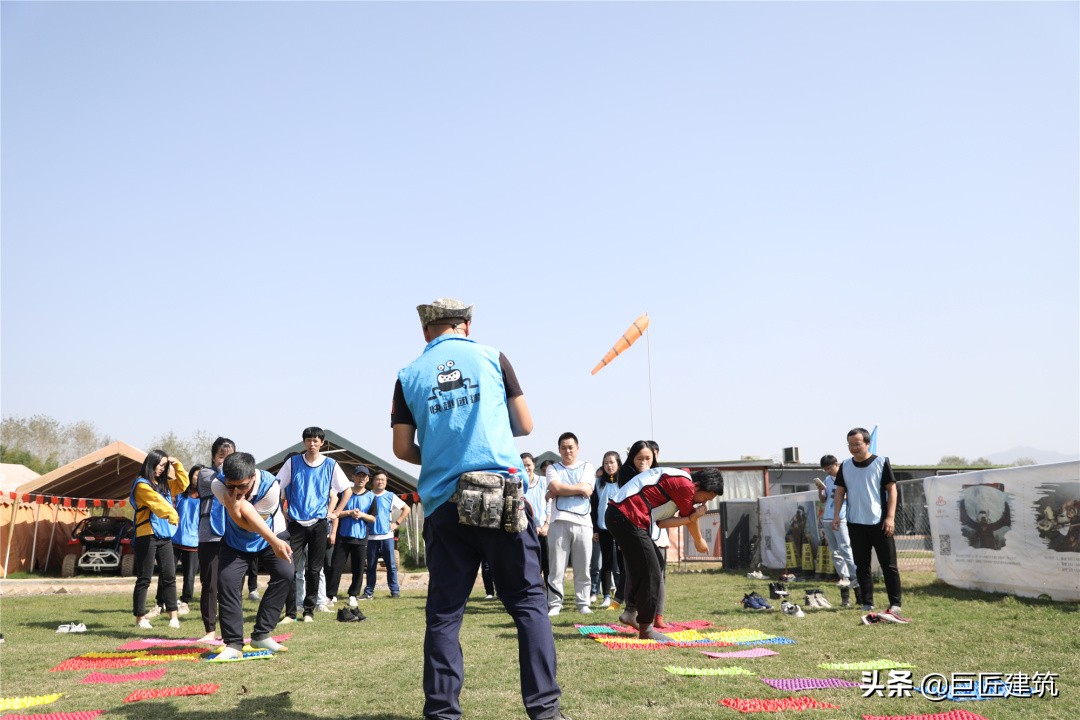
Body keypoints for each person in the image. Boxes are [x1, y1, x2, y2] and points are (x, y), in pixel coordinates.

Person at [391, 297, 565, 720]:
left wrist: (439, 455)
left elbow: (400, 447)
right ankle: (545, 711)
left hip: (444, 504)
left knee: (445, 613)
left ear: (426, 331)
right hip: (500, 494)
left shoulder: (408, 374)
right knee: (527, 604)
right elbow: (525, 425)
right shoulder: (492, 357)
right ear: (466, 325)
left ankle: (442, 712)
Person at [606, 466, 722, 641]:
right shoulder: (685, 485)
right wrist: (699, 541)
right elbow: (690, 518)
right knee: (650, 571)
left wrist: (691, 518)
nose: (702, 504)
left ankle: (631, 611)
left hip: (625, 517)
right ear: (697, 486)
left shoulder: (676, 484)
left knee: (655, 564)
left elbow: (661, 523)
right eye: (705, 498)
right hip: (626, 517)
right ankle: (646, 627)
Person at [212, 451, 294, 660]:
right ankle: (233, 643)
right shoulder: (218, 484)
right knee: (226, 582)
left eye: (242, 486)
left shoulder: (271, 488)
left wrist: (275, 542)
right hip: (235, 542)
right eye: (232, 486)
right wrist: (234, 506)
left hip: (271, 535)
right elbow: (242, 523)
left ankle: (261, 634)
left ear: (253, 477)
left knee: (285, 574)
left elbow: (251, 522)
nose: (237, 491)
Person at [831, 428, 907, 624]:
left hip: (880, 522)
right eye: (850, 444)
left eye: (857, 444)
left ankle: (895, 602)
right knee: (861, 565)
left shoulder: (881, 462)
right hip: (855, 522)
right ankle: (867, 602)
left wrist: (890, 517)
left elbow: (892, 490)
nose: (854, 448)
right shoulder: (845, 466)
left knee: (889, 565)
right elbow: (839, 491)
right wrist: (836, 516)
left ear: (867, 443)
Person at [277, 427, 350, 622]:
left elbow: (347, 490)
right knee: (289, 568)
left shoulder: (331, 464)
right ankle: (290, 613)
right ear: (304, 442)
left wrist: (334, 513)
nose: (312, 444)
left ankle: (308, 611)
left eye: (316, 440)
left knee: (314, 569)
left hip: (319, 523)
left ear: (322, 443)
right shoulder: (292, 463)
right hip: (296, 524)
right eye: (309, 440)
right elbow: (276, 486)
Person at [130, 450, 189, 630]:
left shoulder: (164, 485)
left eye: (165, 466)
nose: (162, 469)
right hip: (146, 535)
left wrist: (176, 463)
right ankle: (140, 618)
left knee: (169, 576)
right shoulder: (141, 485)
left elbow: (183, 483)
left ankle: (173, 616)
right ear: (151, 463)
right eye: (160, 465)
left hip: (164, 536)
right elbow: (157, 502)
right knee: (144, 578)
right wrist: (172, 514)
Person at [544, 432, 596, 616]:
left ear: (577, 448)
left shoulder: (587, 467)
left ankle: (583, 602)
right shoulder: (553, 468)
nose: (567, 451)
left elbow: (588, 490)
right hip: (559, 522)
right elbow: (555, 487)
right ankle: (555, 603)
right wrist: (575, 489)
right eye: (564, 447)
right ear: (559, 449)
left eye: (570, 447)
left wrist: (560, 490)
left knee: (583, 566)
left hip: (583, 523)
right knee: (557, 567)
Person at [194, 437, 234, 642]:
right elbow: (223, 481)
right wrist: (231, 467)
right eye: (221, 456)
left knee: (230, 584)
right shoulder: (205, 474)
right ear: (213, 456)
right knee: (210, 584)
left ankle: (230, 629)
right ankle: (210, 630)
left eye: (230, 457)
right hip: (209, 536)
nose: (226, 461)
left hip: (233, 534)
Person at [327, 465, 377, 607]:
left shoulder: (371, 496)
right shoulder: (344, 494)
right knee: (336, 566)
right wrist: (349, 513)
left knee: (358, 568)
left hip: (360, 537)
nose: (361, 478)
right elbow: (334, 513)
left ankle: (353, 595)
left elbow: (373, 518)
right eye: (358, 475)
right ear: (353, 477)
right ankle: (331, 595)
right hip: (343, 536)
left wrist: (361, 514)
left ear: (367, 479)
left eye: (364, 476)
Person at [361, 469, 411, 599]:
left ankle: (395, 592)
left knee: (391, 566)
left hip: (387, 536)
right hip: (370, 537)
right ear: (373, 481)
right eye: (377, 479)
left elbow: (406, 508)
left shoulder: (391, 496)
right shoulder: (367, 495)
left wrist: (397, 523)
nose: (380, 482)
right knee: (371, 567)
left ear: (386, 481)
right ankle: (369, 592)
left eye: (382, 480)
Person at [818, 454, 858, 607]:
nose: (827, 471)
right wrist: (821, 490)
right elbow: (823, 499)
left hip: (841, 518)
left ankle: (856, 578)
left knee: (846, 548)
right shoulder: (828, 480)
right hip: (827, 518)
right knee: (835, 552)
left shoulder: (847, 476)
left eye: (829, 467)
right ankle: (843, 577)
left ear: (836, 464)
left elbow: (850, 496)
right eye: (825, 469)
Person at [589, 451, 622, 609]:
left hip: (622, 528)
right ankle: (607, 596)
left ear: (618, 464)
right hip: (603, 527)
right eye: (606, 462)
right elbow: (594, 508)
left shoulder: (624, 481)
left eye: (612, 462)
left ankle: (622, 595)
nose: (609, 465)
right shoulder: (598, 483)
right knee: (606, 564)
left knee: (622, 564)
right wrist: (595, 529)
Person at [172, 466, 202, 616]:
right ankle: (163, 602)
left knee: (189, 575)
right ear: (190, 476)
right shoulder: (180, 494)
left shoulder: (206, 497)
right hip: (175, 538)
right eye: (196, 475)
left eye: (202, 475)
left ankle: (185, 602)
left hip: (194, 542)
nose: (198, 478)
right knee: (168, 573)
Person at [521, 452, 551, 586]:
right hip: (527, 530)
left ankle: (552, 599)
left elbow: (550, 504)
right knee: (533, 567)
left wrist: (546, 525)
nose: (526, 468)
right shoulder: (518, 485)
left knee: (549, 565)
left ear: (534, 465)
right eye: (523, 465)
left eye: (528, 465)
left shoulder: (544, 482)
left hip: (546, 530)